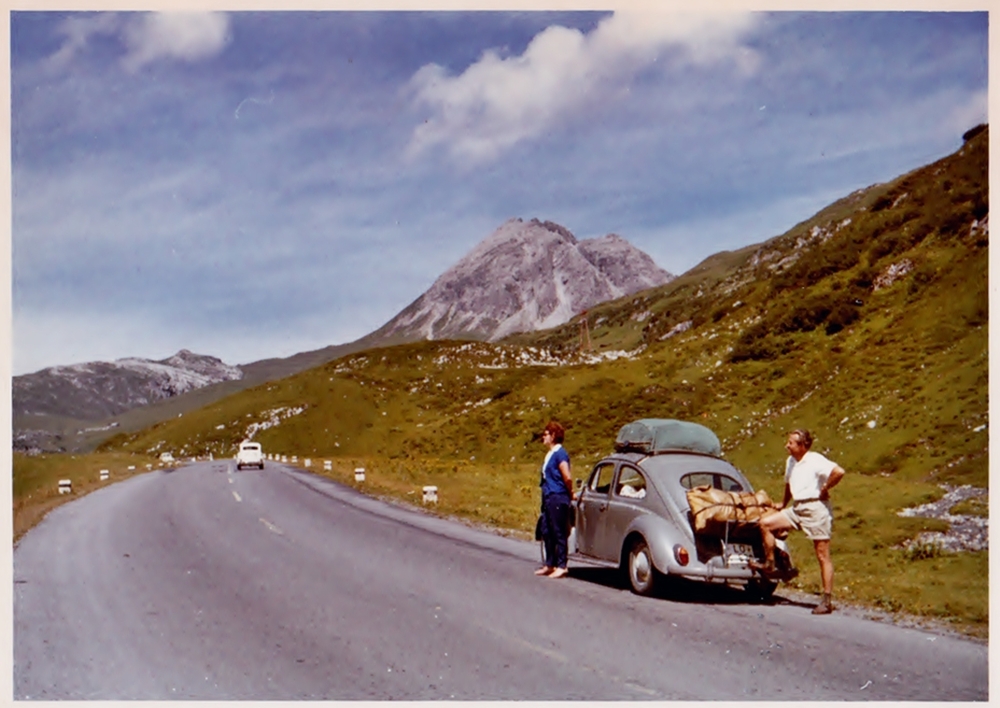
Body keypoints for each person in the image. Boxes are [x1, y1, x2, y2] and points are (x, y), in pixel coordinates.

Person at [758, 429, 846, 615]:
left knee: (822, 554)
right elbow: (789, 483)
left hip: (815, 509)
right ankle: (770, 564)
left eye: (791, 443)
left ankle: (827, 600)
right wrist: (783, 503)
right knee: (765, 524)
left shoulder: (815, 460)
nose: (787, 446)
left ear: (802, 446)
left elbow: (839, 471)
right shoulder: (790, 461)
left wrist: (825, 487)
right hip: (797, 508)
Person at [535, 420, 573, 579]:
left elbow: (567, 476)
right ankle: (550, 563)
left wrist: (570, 492)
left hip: (558, 495)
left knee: (558, 531)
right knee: (546, 530)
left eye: (546, 434)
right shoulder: (550, 454)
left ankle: (562, 565)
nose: (543, 437)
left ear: (554, 436)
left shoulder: (560, 454)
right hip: (549, 496)